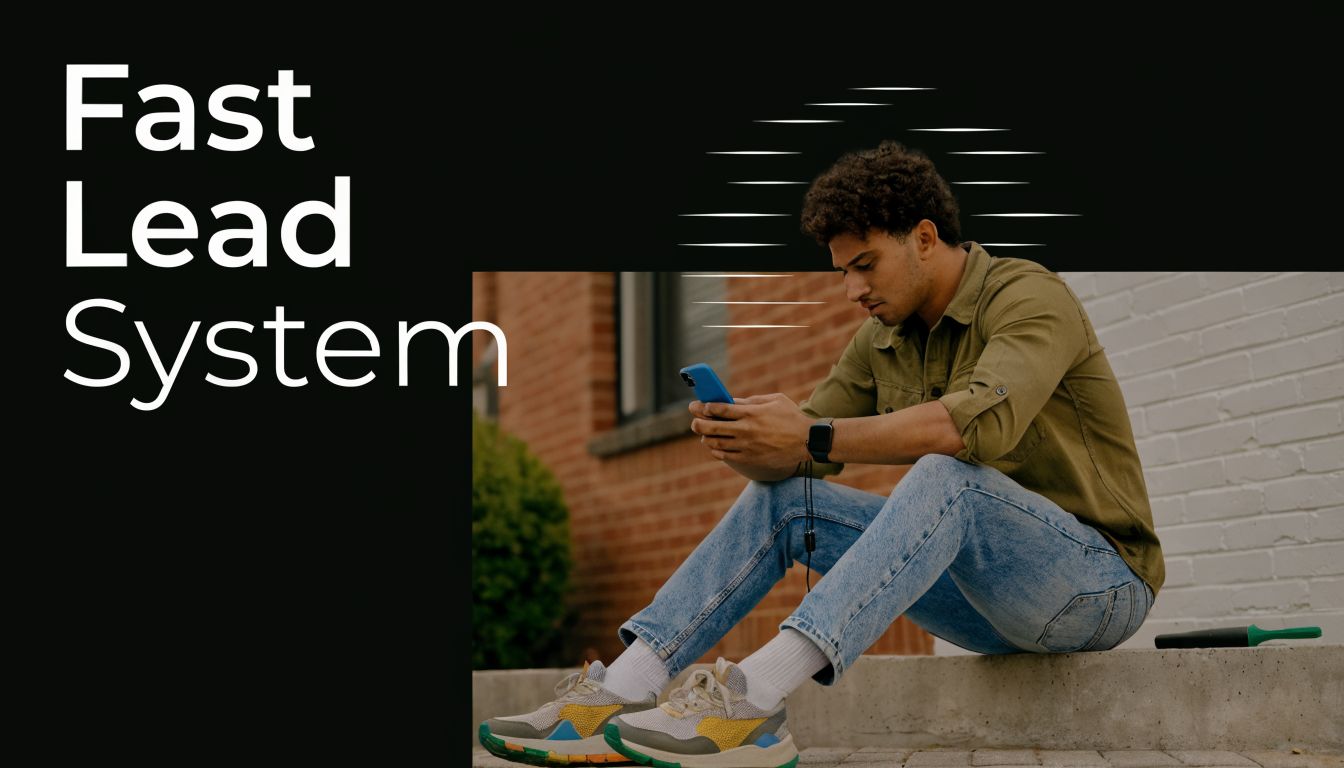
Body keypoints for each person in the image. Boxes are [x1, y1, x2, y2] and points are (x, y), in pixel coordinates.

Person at [478, 140, 1165, 768]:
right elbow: (799, 457)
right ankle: (622, 691)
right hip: (985, 607)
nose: (853, 290)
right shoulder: (882, 339)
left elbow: (966, 429)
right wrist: (746, 441)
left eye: (865, 265)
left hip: (1097, 585)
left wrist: (804, 435)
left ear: (925, 238)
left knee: (946, 474)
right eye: (841, 272)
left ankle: (755, 696)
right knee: (789, 500)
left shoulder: (1027, 295)